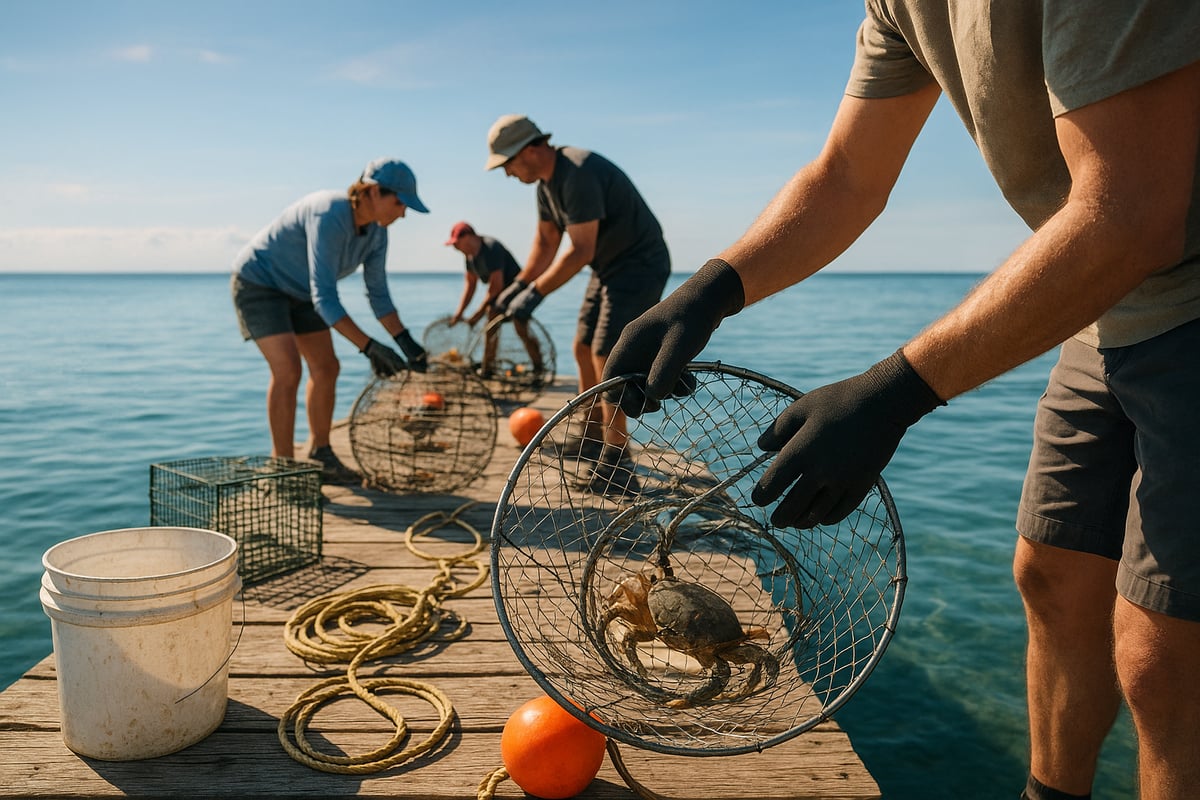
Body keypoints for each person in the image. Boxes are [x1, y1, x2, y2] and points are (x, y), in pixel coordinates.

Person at [603, 4, 1200, 799]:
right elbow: (848, 175)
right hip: (1105, 311)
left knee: (1161, 655)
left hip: (1175, 295)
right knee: (1051, 575)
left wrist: (894, 394)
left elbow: (1131, 212)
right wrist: (712, 290)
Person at [486, 114, 671, 494]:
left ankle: (618, 460)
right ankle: (590, 434)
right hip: (607, 268)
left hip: (639, 265)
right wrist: (518, 285)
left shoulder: (578, 172)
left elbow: (581, 250)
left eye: (508, 163)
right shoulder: (545, 185)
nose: (506, 174)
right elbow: (545, 244)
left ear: (532, 149)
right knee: (582, 346)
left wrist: (535, 295)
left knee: (607, 354)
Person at [231, 157, 431, 483]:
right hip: (259, 283)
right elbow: (325, 296)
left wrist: (405, 342)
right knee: (288, 371)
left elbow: (378, 295)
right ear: (373, 192)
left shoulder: (378, 235)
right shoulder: (328, 213)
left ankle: (321, 454)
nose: (404, 213)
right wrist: (369, 348)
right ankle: (283, 470)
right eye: (399, 202)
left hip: (302, 292)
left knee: (327, 368)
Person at [444, 220, 544, 379]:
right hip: (499, 295)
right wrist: (460, 313)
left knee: (519, 326)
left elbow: (496, 287)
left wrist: (477, 313)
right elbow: (470, 286)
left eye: (457, 244)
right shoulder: (470, 257)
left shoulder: (491, 248)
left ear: (469, 236)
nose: (456, 248)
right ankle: (488, 367)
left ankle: (539, 367)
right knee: (491, 322)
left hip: (517, 290)